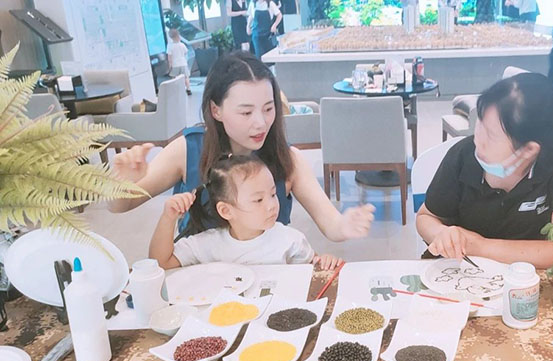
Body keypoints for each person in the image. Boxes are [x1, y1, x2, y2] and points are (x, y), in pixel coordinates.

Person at [110, 51, 374, 243]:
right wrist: (122, 183)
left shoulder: (287, 158)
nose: (261, 123)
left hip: (266, 279)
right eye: (246, 112)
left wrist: (345, 225)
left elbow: (331, 224)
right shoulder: (187, 150)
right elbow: (118, 207)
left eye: (268, 108)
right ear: (216, 110)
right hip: (199, 279)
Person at [415, 73, 553, 269]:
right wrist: (442, 234)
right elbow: (426, 217)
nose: (478, 139)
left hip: (526, 277)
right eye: (480, 123)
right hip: (461, 270)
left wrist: (480, 246)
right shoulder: (463, 156)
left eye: (491, 135)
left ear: (529, 150)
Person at [150, 154, 342, 270]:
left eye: (273, 194)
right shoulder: (208, 244)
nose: (271, 205)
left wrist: (325, 262)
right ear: (226, 210)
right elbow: (161, 263)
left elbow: (314, 270)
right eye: (258, 200)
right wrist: (168, 218)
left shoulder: (290, 240)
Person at [167, 28, 192, 95]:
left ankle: (176, 90)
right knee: (186, 77)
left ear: (170, 37)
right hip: (183, 63)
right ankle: (188, 89)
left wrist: (170, 66)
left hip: (175, 65)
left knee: (174, 78)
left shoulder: (170, 46)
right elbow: (186, 52)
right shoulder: (182, 45)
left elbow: (169, 58)